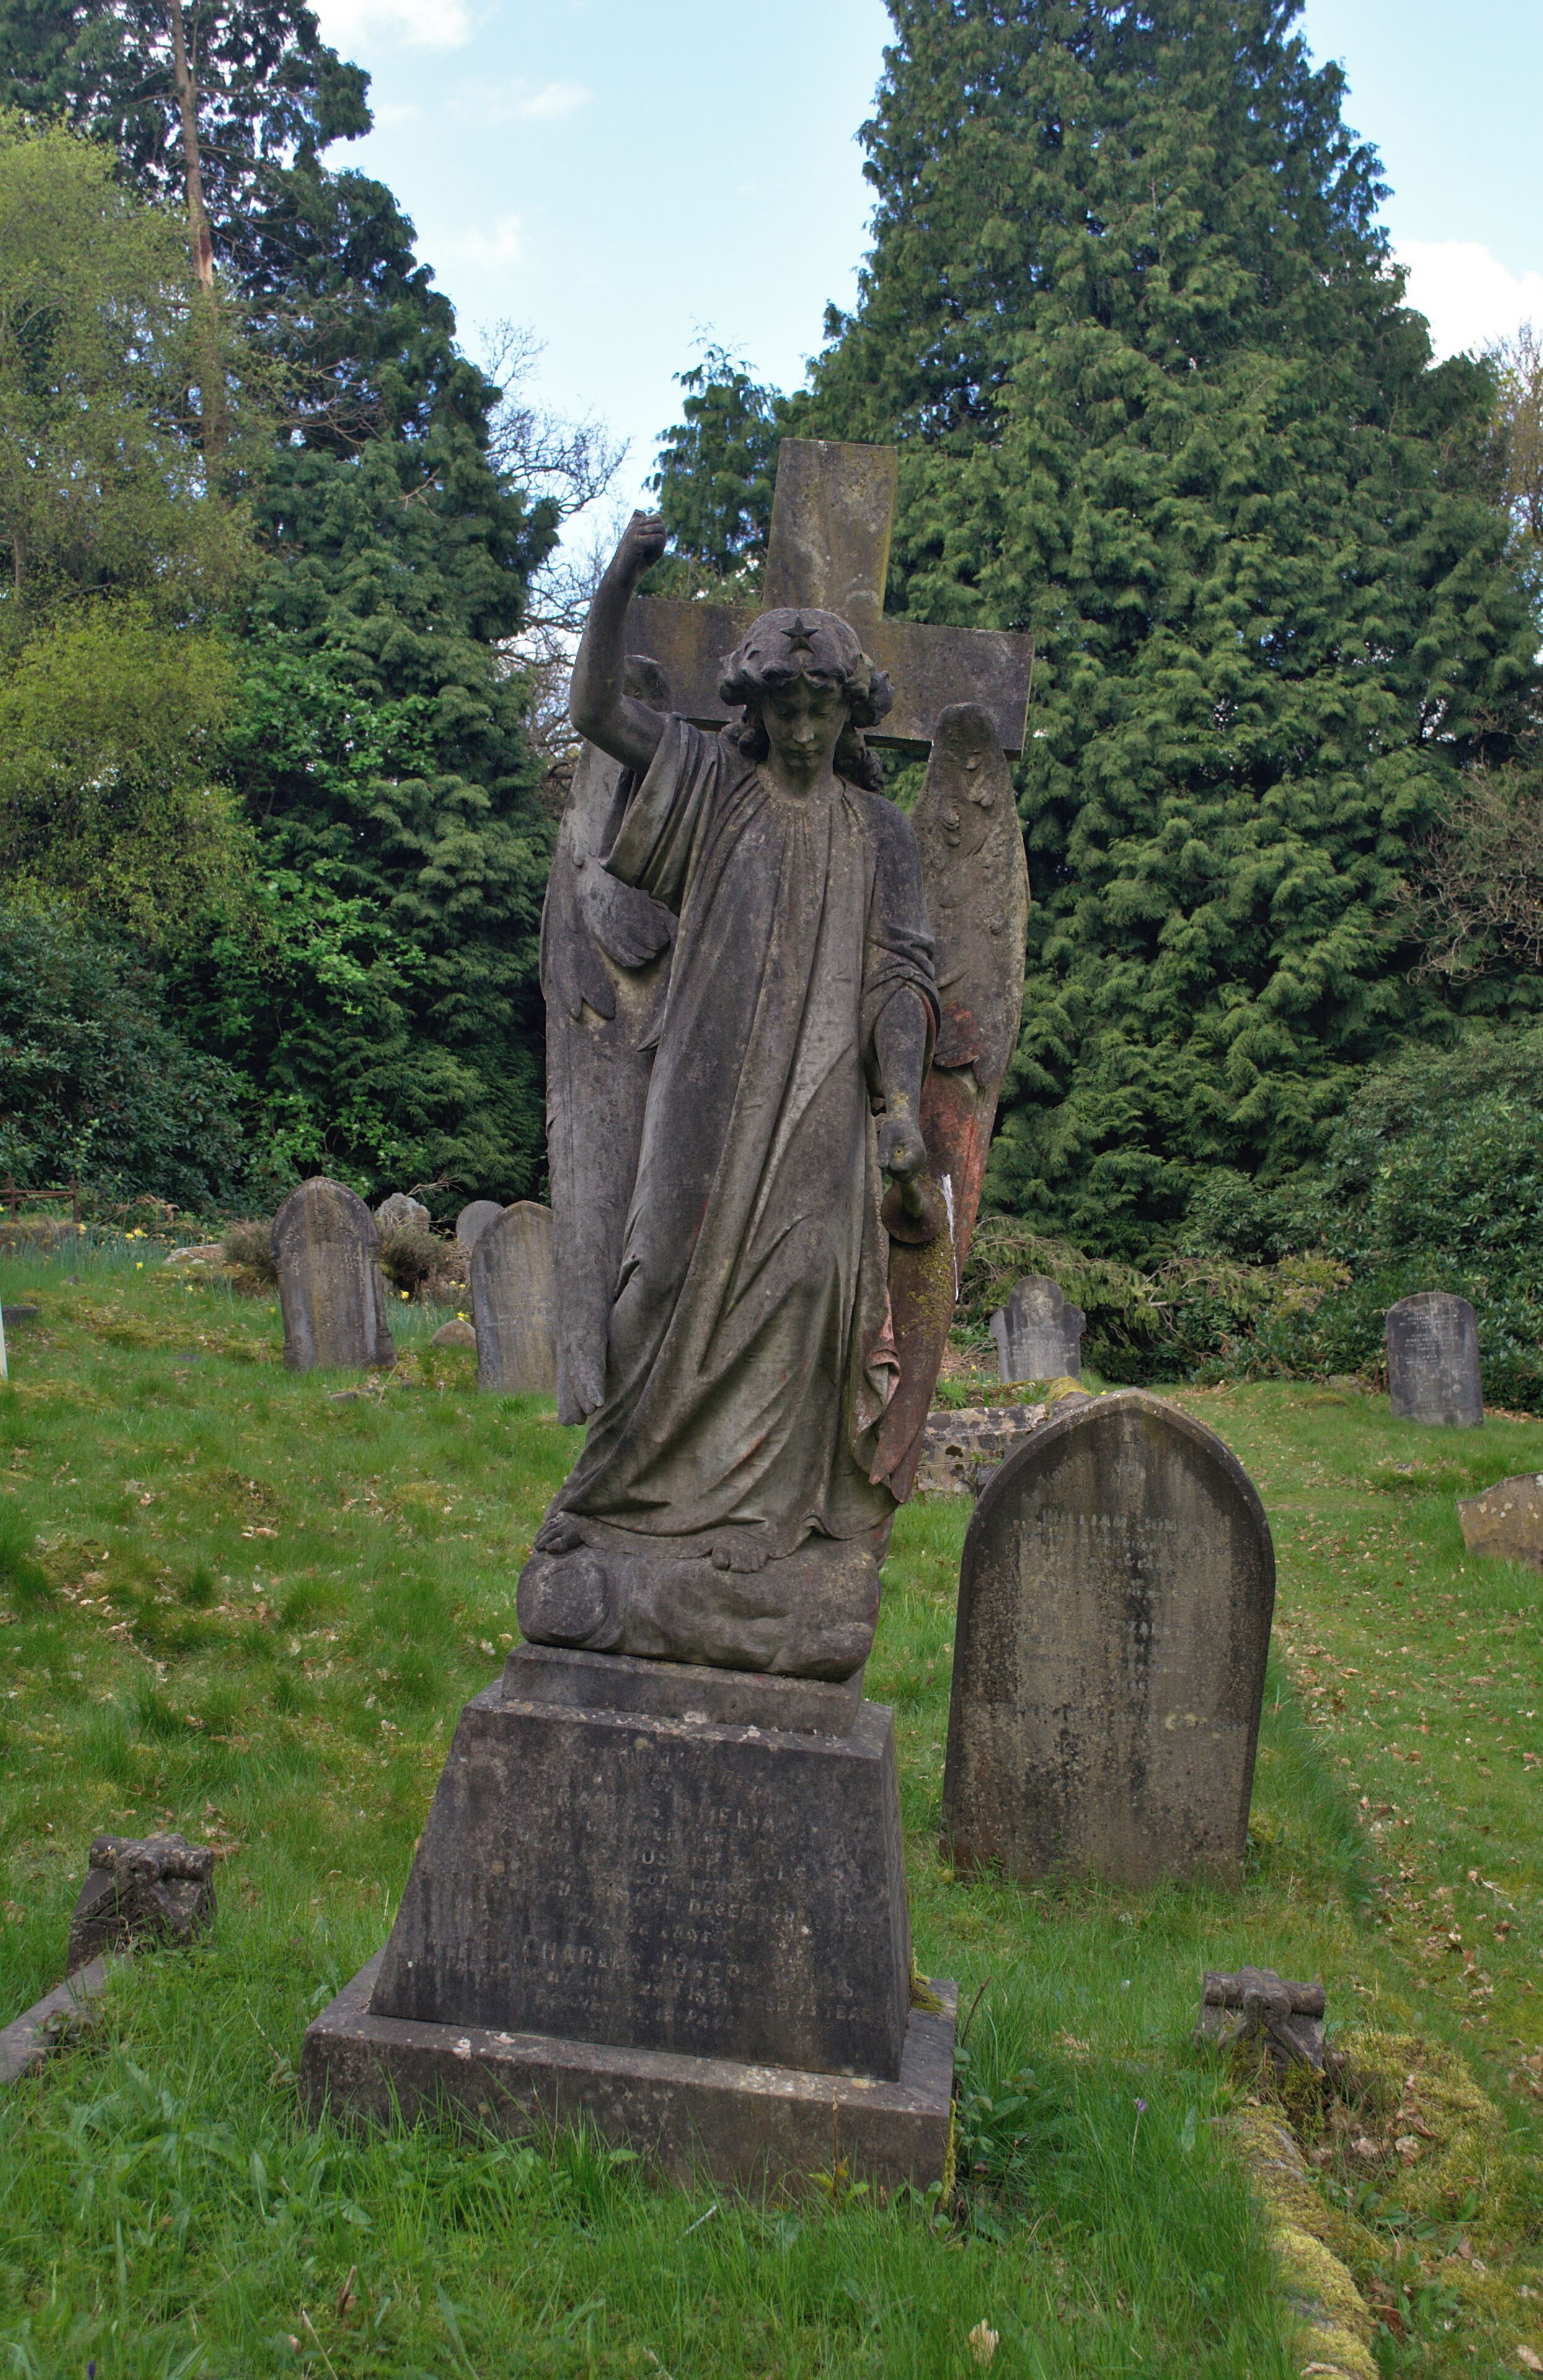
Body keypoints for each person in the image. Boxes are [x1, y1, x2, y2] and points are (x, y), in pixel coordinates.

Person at [519, 511, 939, 1675]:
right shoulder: (707, 785)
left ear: (851, 717)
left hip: (818, 1115)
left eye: (825, 712)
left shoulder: (881, 833)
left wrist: (896, 1104)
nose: (805, 730)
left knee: (806, 1297)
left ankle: (762, 1547)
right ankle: (612, 1506)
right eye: (785, 711)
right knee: (653, 1291)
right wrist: (616, 576)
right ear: (753, 714)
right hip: (703, 1095)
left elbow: (903, 977)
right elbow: (598, 713)